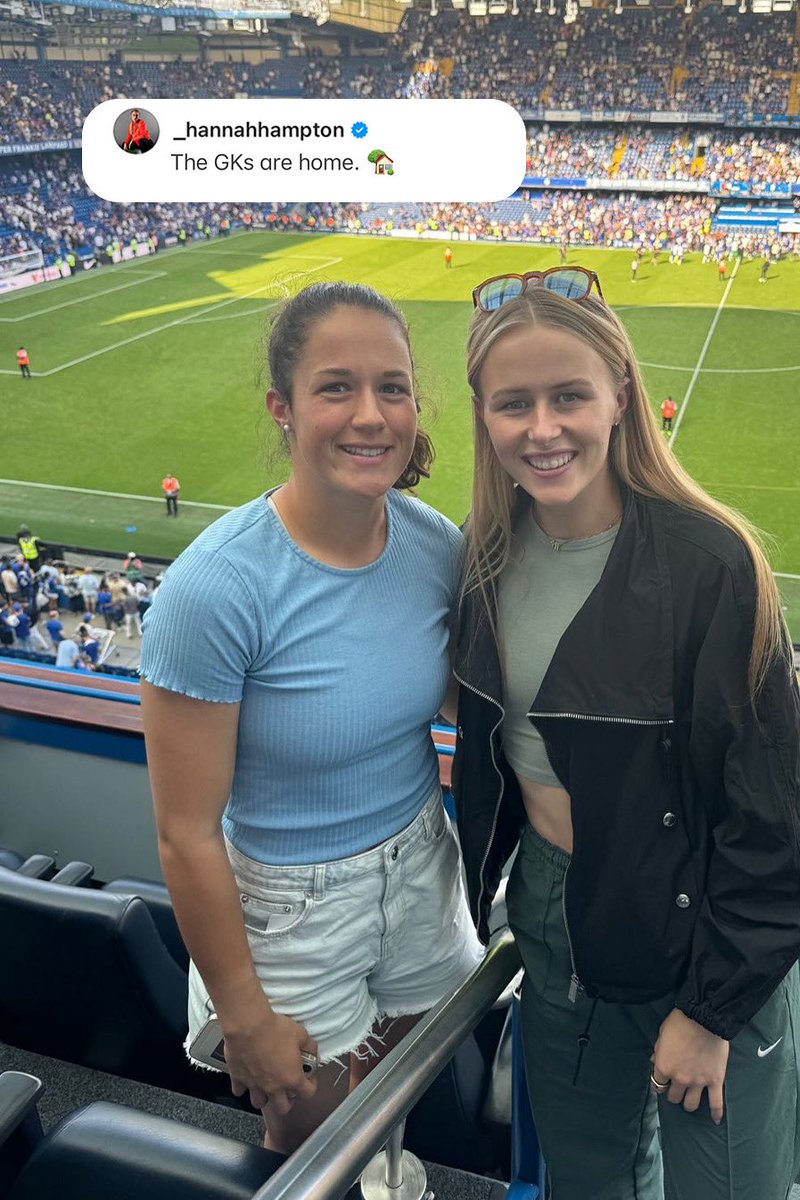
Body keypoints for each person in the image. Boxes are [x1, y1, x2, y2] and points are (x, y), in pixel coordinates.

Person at [452, 266, 800, 1200]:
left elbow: (783, 833)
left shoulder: (713, 565)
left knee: (728, 1190)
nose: (542, 429)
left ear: (620, 396)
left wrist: (709, 1012)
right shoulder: (482, 555)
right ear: (483, 414)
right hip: (558, 923)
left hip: (701, 926)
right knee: (587, 1181)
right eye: (514, 403)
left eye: (568, 397)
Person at [140, 282, 483, 1156]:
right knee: (311, 1130)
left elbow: (452, 700)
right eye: (336, 387)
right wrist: (244, 1012)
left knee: (402, 1083)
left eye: (392, 387)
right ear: (282, 409)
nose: (370, 415)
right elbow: (185, 833)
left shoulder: (432, 544)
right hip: (289, 907)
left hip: (417, 863)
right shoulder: (215, 588)